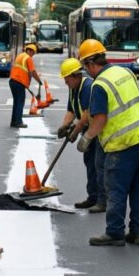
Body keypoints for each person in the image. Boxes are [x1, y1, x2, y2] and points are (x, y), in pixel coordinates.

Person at [75, 39, 139, 247]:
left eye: (85, 66)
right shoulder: (125, 72)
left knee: (116, 188)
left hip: (124, 141)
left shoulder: (99, 85)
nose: (86, 71)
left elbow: (100, 119)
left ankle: (115, 232)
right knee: (138, 187)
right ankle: (138, 233)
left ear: (91, 63)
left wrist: (86, 138)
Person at [58, 58, 101, 211]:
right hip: (86, 128)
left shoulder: (87, 87)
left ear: (76, 76)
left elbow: (86, 115)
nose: (65, 82)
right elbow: (71, 110)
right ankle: (94, 197)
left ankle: (98, 199)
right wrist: (65, 126)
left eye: (66, 78)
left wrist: (74, 133)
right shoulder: (73, 88)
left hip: (95, 130)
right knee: (90, 163)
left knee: (96, 164)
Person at [8, 44, 42, 129]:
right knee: (20, 102)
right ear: (30, 51)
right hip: (19, 82)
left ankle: (13, 122)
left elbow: (23, 70)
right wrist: (39, 81)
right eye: (33, 53)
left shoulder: (20, 55)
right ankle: (18, 122)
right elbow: (32, 72)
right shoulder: (28, 58)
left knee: (16, 102)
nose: (32, 55)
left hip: (13, 81)